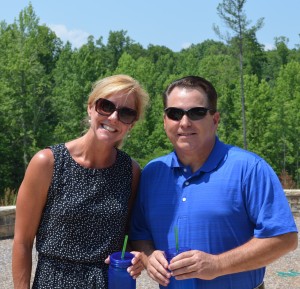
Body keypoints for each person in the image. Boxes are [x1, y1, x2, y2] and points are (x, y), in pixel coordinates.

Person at [130, 75, 298, 289]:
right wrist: (149, 256)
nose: (184, 122)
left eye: (196, 112)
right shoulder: (153, 173)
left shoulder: (249, 169)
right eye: (174, 113)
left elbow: (285, 238)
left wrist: (218, 264)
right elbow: (139, 233)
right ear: (165, 121)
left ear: (215, 119)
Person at [12, 74, 149, 289]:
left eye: (126, 113)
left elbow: (126, 236)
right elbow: (22, 241)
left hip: (109, 283)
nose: (113, 117)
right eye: (106, 106)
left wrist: (136, 256)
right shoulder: (47, 163)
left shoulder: (130, 171)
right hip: (54, 282)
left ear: (131, 124)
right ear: (90, 108)